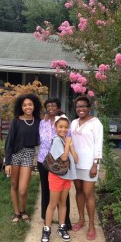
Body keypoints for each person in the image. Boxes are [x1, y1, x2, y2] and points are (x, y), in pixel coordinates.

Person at [40, 115, 78, 242]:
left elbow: (76, 159)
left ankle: (62, 227)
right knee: (52, 204)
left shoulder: (65, 140)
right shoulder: (57, 140)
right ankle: (47, 229)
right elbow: (63, 157)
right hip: (57, 177)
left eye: (66, 127)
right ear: (55, 128)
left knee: (63, 204)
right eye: (60, 127)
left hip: (67, 177)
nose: (63, 129)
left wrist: (70, 144)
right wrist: (68, 143)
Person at [5, 93, 42, 223]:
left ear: (34, 106)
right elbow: (9, 142)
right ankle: (17, 213)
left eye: (30, 104)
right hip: (15, 154)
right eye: (25, 105)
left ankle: (23, 210)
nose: (27, 107)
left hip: (28, 153)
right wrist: (7, 162)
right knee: (14, 185)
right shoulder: (16, 121)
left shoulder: (38, 122)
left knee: (23, 189)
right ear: (21, 107)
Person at [71, 96, 103, 240]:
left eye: (83, 106)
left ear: (89, 107)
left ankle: (91, 225)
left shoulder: (96, 123)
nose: (81, 109)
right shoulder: (73, 123)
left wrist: (95, 164)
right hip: (75, 163)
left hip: (90, 164)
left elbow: (98, 144)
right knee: (78, 191)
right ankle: (81, 219)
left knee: (88, 193)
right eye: (78, 106)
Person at [37, 97, 72, 230]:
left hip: (59, 163)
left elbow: (68, 139)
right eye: (48, 106)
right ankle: (47, 219)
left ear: (58, 107)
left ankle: (65, 221)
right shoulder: (42, 122)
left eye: (53, 106)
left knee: (62, 193)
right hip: (43, 160)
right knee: (46, 189)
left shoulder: (63, 121)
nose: (51, 108)